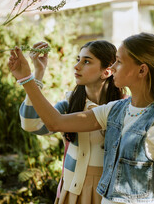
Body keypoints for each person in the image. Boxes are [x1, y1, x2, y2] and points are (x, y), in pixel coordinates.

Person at [9, 32, 154, 204]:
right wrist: (28, 78)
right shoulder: (115, 110)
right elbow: (54, 122)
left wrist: (28, 79)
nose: (113, 67)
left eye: (119, 61)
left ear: (142, 70)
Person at [20, 40, 124, 204]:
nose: (76, 66)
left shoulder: (123, 109)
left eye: (86, 61)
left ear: (107, 71)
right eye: (78, 59)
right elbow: (31, 124)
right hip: (72, 190)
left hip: (109, 195)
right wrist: (38, 72)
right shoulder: (69, 105)